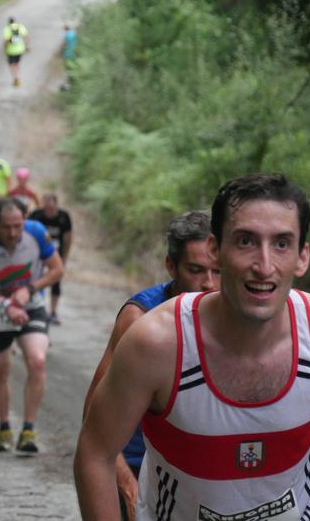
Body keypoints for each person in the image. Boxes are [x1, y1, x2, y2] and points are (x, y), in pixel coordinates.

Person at [75, 174, 310, 520]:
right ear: (215, 250)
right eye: (246, 241)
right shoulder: (156, 342)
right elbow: (95, 452)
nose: (264, 266)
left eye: (282, 243)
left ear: (302, 256)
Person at [81, 211, 219, 521]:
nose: (209, 283)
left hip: (199, 474)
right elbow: (93, 413)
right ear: (171, 266)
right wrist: (129, 488)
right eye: (196, 270)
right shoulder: (141, 318)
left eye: (218, 271)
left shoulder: (239, 317)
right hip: (137, 466)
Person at [0, 198, 64, 454]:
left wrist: (29, 289)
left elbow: (57, 269)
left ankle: (28, 430)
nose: (12, 233)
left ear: (25, 220)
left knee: (37, 360)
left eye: (18, 226)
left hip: (31, 306)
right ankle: (4, 428)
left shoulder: (36, 233)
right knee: (0, 371)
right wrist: (4, 306)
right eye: (6, 227)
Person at [29, 193, 72, 324]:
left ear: (56, 204)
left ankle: (53, 312)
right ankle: (35, 308)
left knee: (56, 281)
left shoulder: (63, 217)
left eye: (51, 208)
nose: (48, 210)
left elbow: (68, 237)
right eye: (46, 207)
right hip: (37, 254)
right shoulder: (36, 215)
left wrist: (64, 256)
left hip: (55, 253)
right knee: (36, 279)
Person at [3, 17, 28, 87]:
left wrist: (5, 48)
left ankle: (15, 77)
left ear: (9, 23)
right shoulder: (20, 27)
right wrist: (26, 46)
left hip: (10, 50)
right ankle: (17, 77)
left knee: (11, 64)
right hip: (20, 49)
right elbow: (26, 37)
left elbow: (5, 40)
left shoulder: (7, 28)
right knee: (17, 63)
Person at [60, 24, 77, 90]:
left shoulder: (67, 35)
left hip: (68, 53)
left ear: (65, 29)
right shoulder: (74, 33)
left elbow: (65, 44)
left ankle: (68, 81)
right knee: (72, 66)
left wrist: (61, 51)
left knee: (67, 67)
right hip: (74, 52)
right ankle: (71, 78)